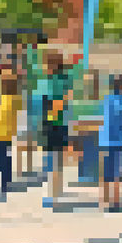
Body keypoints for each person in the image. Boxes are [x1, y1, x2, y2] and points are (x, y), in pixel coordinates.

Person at [38, 51, 73, 209]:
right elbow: (66, 99)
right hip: (62, 122)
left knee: (52, 160)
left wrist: (50, 114)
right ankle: (56, 191)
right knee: (57, 159)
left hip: (52, 123)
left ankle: (52, 195)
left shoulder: (51, 81)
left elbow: (53, 102)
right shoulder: (66, 79)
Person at [99, 74, 122, 212]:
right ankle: (115, 202)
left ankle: (105, 201)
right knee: (116, 174)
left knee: (107, 173)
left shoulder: (107, 99)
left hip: (105, 139)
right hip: (119, 140)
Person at [0, 68, 21, 199]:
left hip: (2, 134)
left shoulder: (6, 99)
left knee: (3, 159)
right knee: (5, 159)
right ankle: (5, 182)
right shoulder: (13, 98)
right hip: (5, 134)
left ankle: (4, 183)